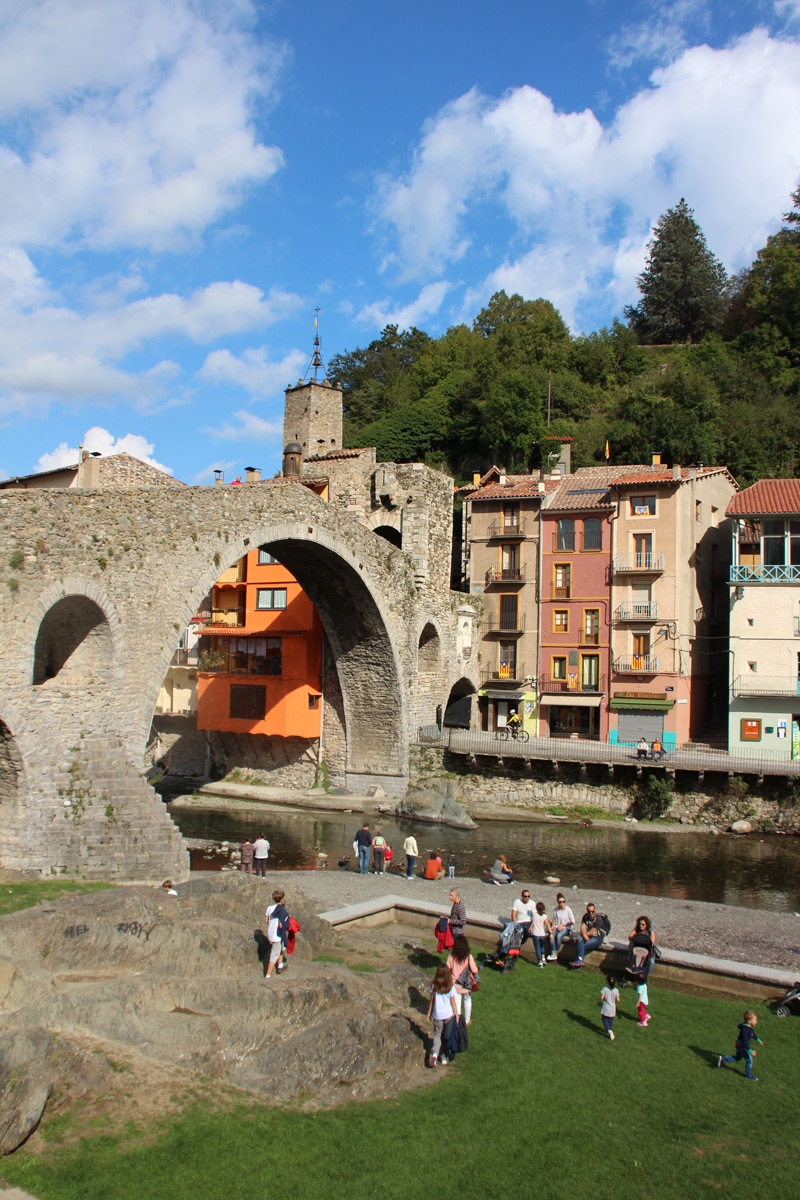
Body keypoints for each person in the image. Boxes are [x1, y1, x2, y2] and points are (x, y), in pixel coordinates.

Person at [426, 965, 459, 1068]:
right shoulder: (450, 987)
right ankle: (444, 1056)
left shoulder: (433, 986)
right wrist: (457, 1015)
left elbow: (432, 1001)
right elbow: (453, 1003)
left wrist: (429, 1013)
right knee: (445, 1036)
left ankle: (435, 1054)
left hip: (437, 1016)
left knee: (437, 1034)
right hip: (448, 1016)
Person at [718, 1011, 762, 1081]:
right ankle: (748, 1075)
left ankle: (723, 1059)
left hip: (738, 1045)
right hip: (742, 1047)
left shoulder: (747, 1027)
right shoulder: (746, 1030)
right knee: (749, 1060)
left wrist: (758, 1040)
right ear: (749, 1021)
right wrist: (750, 1051)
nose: (756, 1021)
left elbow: (752, 1034)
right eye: (755, 1020)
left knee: (738, 1057)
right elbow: (745, 1042)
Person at [446, 936, 479, 1027]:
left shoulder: (451, 957)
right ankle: (467, 1021)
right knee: (467, 1000)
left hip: (455, 984)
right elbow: (475, 970)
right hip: (467, 984)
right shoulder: (469, 957)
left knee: (457, 1002)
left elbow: (447, 969)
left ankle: (458, 1021)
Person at [573, 902, 607, 968]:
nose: (591, 913)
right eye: (589, 911)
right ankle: (580, 961)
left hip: (598, 938)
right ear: (587, 911)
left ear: (595, 910)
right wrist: (583, 934)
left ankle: (579, 961)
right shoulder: (585, 917)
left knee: (580, 945)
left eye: (592, 911)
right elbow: (582, 927)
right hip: (588, 936)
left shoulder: (598, 919)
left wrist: (583, 935)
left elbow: (592, 932)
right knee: (580, 941)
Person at [264, 888, 289, 978]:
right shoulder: (282, 911)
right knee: (274, 955)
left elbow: (266, 920)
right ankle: (268, 975)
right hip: (277, 935)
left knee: (281, 949)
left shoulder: (269, 908)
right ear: (281, 899)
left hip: (270, 934)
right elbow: (283, 924)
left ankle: (280, 965)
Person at [627, 915, 657, 979]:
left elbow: (652, 941)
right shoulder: (638, 930)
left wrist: (650, 931)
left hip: (647, 950)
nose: (641, 926)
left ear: (646, 925)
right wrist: (635, 930)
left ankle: (646, 976)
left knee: (651, 962)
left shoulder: (649, 930)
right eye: (640, 924)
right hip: (638, 949)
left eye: (643, 924)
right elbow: (630, 937)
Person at [548, 893, 575, 960]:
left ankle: (556, 952)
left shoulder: (568, 909)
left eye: (563, 902)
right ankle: (553, 952)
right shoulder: (556, 909)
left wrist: (563, 924)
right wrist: (553, 925)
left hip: (566, 927)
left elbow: (572, 921)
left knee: (559, 936)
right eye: (560, 902)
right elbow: (554, 919)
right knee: (551, 936)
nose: (561, 903)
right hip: (557, 927)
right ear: (558, 902)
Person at [531, 901, 553, 968]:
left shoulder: (534, 914)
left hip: (535, 934)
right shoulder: (545, 916)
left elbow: (533, 921)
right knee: (542, 946)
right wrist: (551, 933)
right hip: (542, 934)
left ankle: (540, 961)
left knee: (537, 948)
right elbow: (548, 925)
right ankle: (543, 958)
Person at [600, 974, 620, 1040]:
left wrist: (605, 999)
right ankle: (610, 1032)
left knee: (604, 1019)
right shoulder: (616, 990)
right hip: (612, 1008)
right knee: (610, 1020)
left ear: (607, 981)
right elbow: (618, 1000)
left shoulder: (605, 989)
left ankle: (609, 1030)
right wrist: (614, 1002)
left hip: (606, 1007)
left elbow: (602, 997)